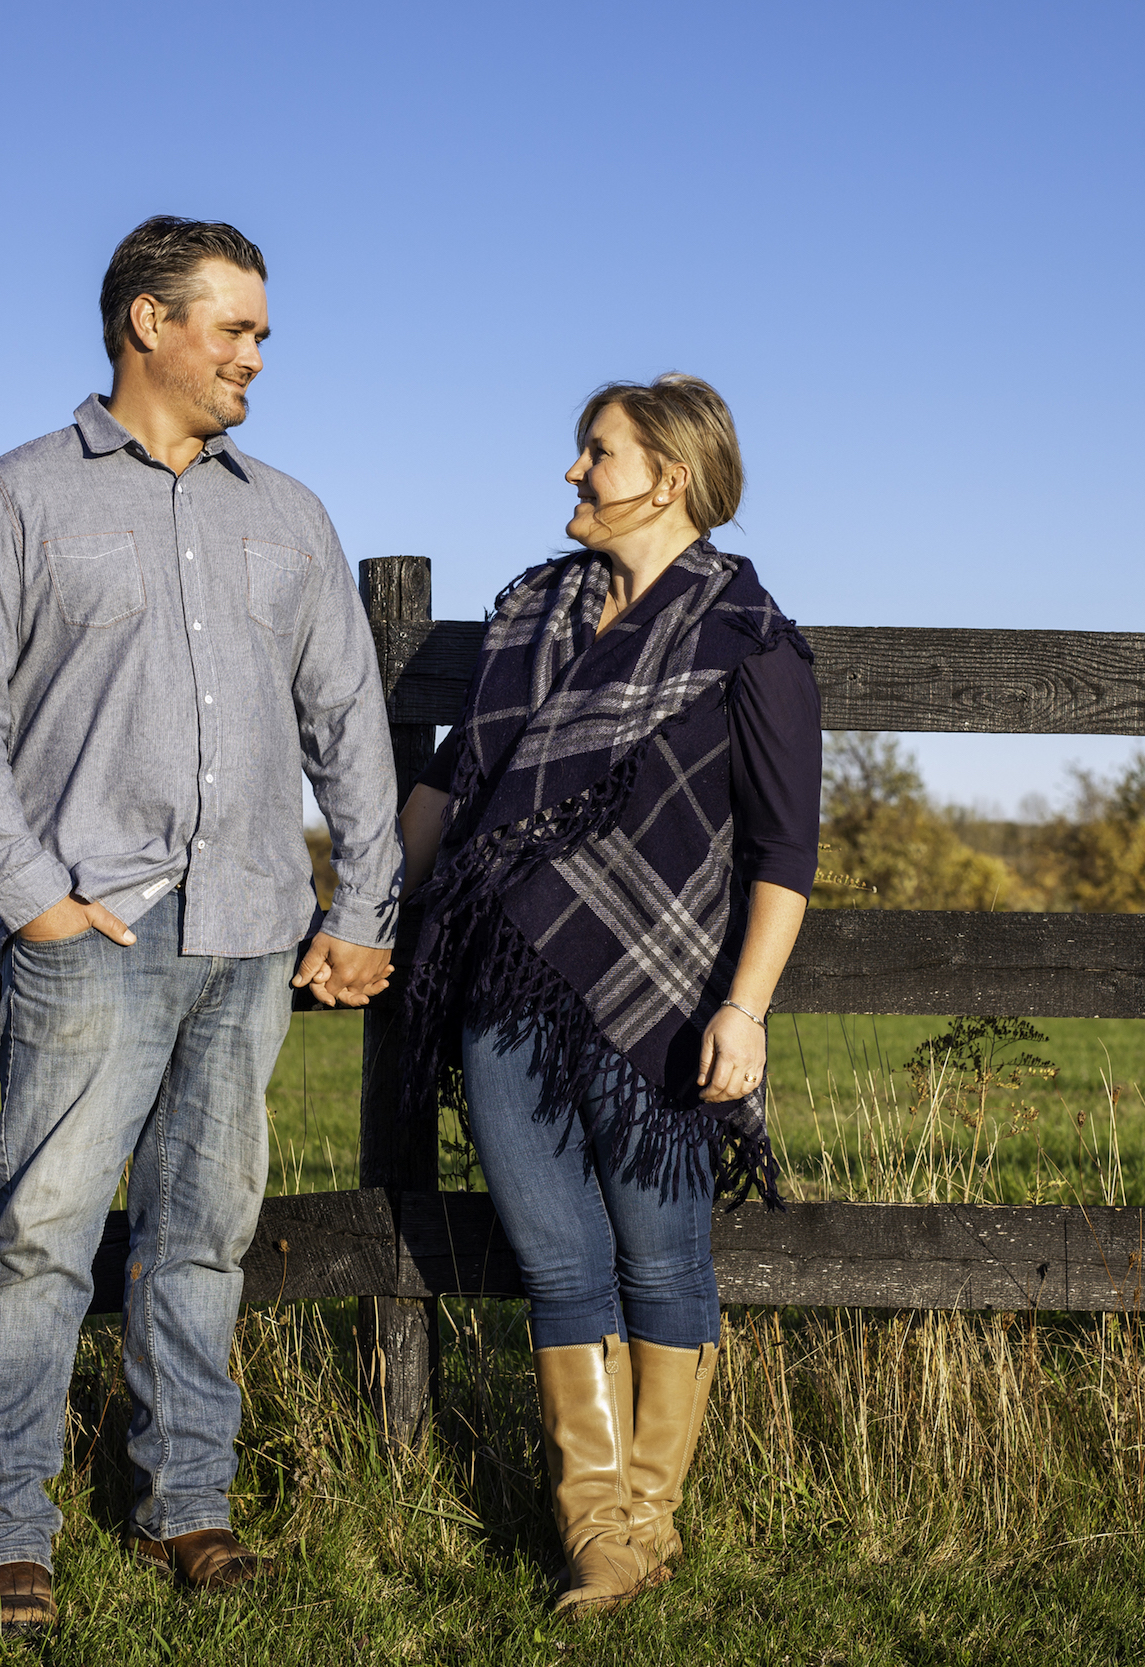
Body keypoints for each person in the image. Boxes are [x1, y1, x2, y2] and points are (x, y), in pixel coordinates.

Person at [0, 215, 403, 1638]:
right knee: (40, 1240)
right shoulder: (15, 498)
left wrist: (364, 903)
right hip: (96, 935)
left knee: (201, 1237)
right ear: (149, 321)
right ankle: (5, 1532)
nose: (256, 354)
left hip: (254, 931)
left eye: (260, 332)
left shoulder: (290, 515)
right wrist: (35, 896)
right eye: (235, 327)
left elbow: (350, 727)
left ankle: (187, 1505)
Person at [397, 374, 820, 1616]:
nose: (574, 472)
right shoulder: (534, 614)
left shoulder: (748, 638)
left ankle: (645, 1519)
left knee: (663, 1255)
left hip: (664, 995)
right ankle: (597, 1531)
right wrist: (366, 916)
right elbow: (453, 784)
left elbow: (783, 851)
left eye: (597, 452)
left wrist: (744, 1007)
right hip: (505, 980)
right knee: (557, 1256)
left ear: (667, 477)